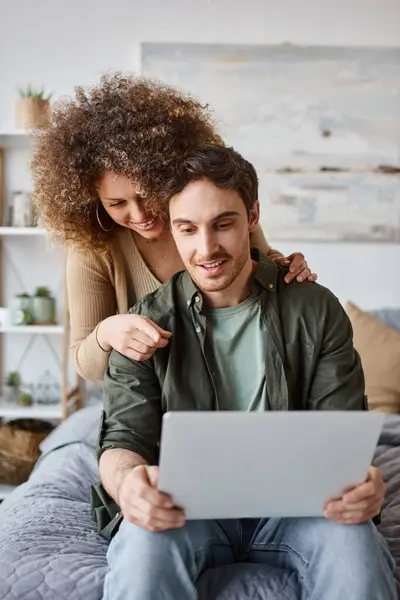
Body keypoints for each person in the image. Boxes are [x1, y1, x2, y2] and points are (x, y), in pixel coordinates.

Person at [98, 144, 396, 600]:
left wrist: (365, 483)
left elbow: (342, 426)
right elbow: (122, 440)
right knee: (141, 554)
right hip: (184, 510)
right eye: (187, 229)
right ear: (172, 231)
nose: (207, 248)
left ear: (252, 215)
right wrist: (127, 485)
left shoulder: (315, 308)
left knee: (356, 549)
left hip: (302, 507)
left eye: (223, 224)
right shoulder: (143, 325)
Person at [31, 73, 316, 381]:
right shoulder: (94, 250)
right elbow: (86, 366)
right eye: (117, 204)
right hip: (152, 410)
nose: (139, 213)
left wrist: (290, 267)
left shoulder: (210, 217)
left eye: (146, 193)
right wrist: (106, 334)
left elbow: (262, 265)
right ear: (93, 200)